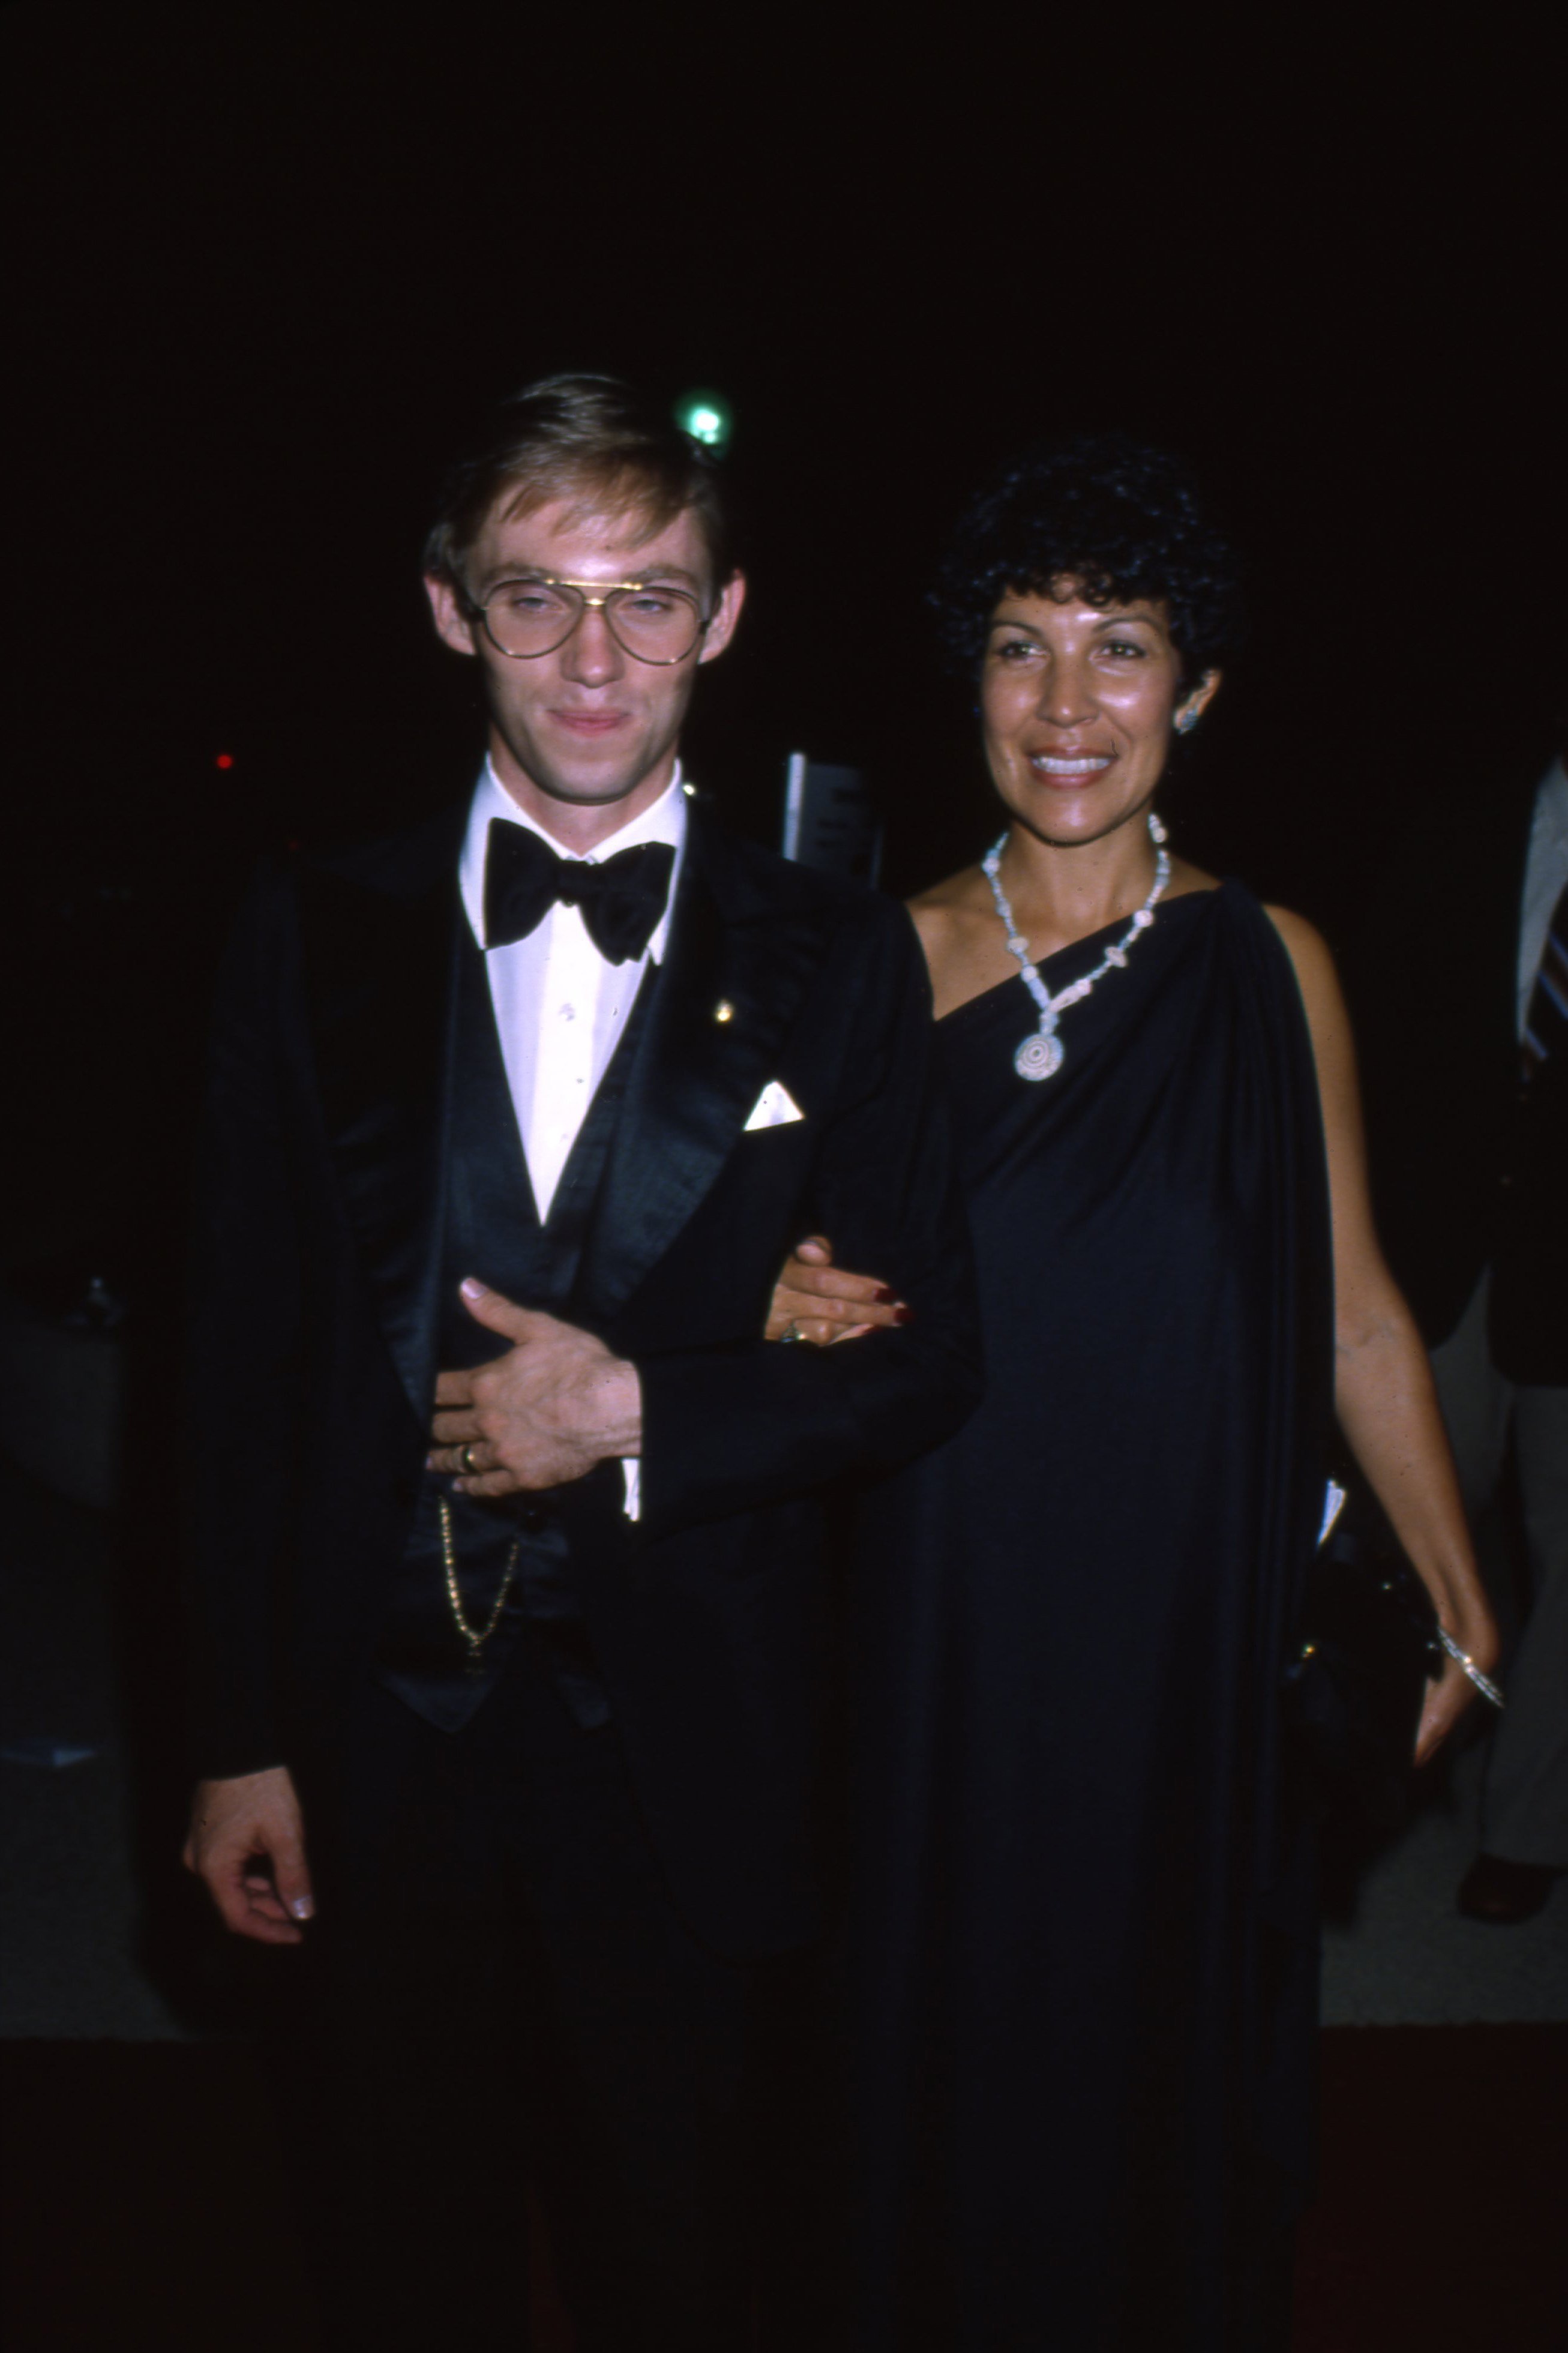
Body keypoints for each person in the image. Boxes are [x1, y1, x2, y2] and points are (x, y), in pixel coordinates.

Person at [179, 374, 981, 2351]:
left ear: (720, 617)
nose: (594, 656)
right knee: (391, 2235)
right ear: (452, 609)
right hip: (376, 1729)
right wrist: (230, 1736)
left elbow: (927, 1356)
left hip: (695, 1728)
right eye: (538, 598)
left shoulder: (840, 948)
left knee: (688, 2246)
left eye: (647, 598)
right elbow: (226, 1363)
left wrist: (645, 1408)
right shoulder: (305, 924)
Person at [766, 436, 1498, 2351]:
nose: (1067, 703)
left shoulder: (1269, 965)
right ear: (970, 683)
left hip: (1185, 1633)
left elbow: (1349, 1309)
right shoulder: (871, 962)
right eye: (1019, 648)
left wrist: (1457, 1589)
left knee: (1150, 2063)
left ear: (1197, 684)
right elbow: (727, 1270)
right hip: (934, 1627)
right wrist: (766, 1290)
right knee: (929, 2056)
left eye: (1119, 646)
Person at [1351, 705, 1567, 1924]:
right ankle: (1373, 1780)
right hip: (1437, 1254)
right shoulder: (1460, 822)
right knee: (1412, 1535)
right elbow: (1379, 1028)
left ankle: (1527, 1826)